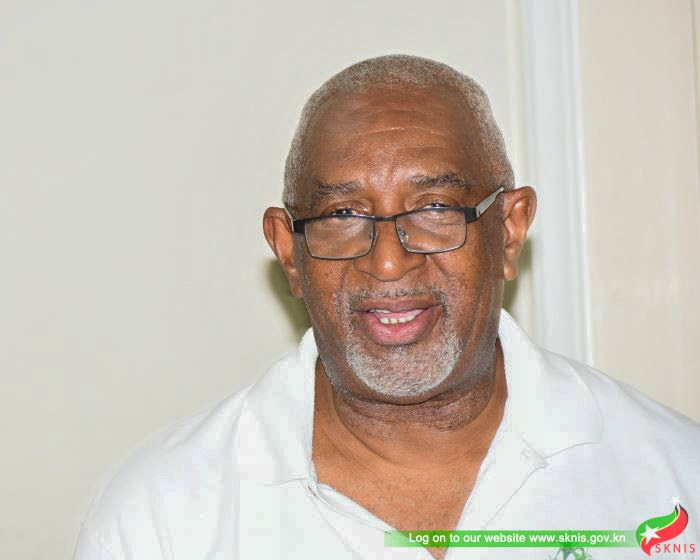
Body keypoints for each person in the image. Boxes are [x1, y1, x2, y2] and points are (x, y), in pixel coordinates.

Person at [74, 55, 700, 560]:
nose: (390, 262)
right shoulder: (162, 516)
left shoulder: (674, 476)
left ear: (509, 232)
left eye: (435, 208)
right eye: (343, 214)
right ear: (289, 253)